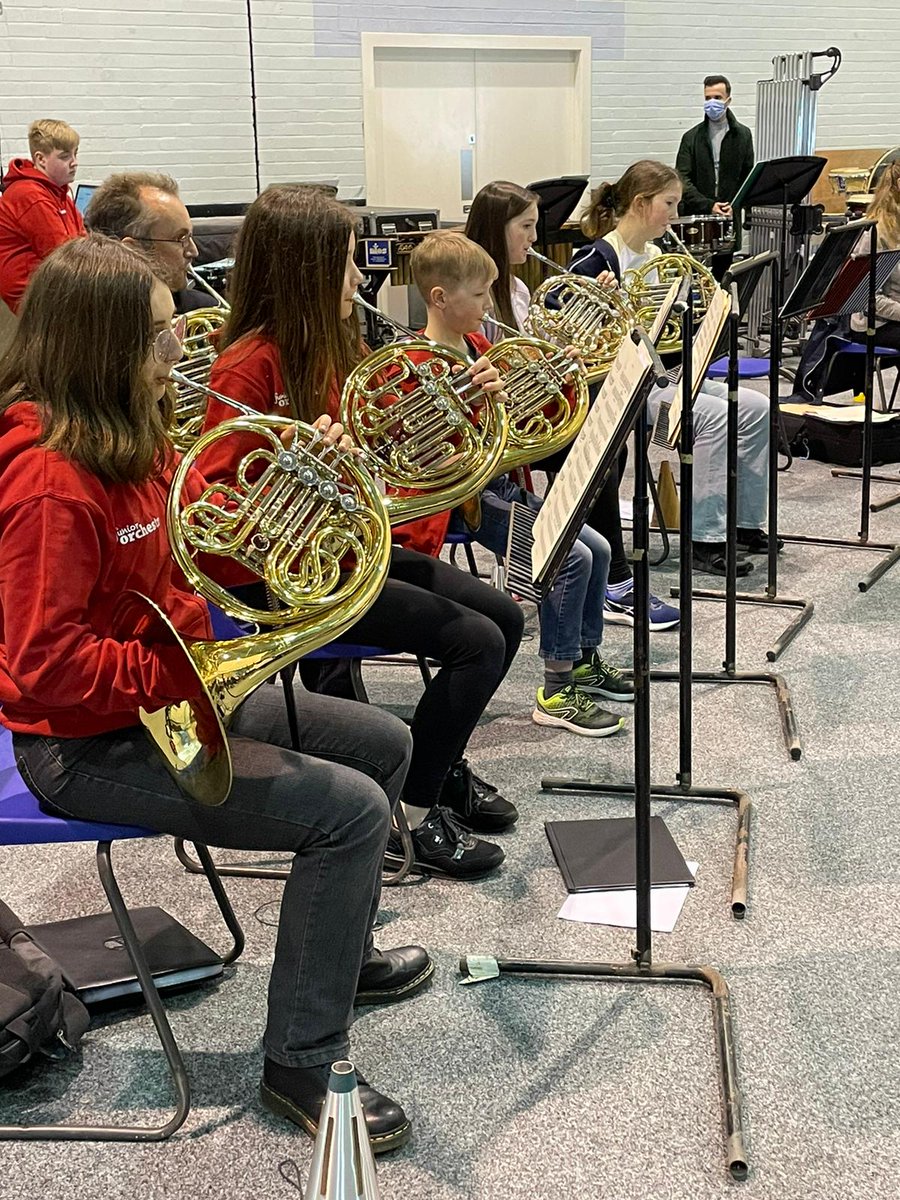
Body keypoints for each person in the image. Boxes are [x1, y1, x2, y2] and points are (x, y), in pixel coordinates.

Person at [0, 234, 432, 1152]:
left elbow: (181, 578)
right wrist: (181, 668)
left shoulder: (130, 440)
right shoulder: (49, 483)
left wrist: (295, 490)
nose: (179, 353)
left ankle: (337, 961)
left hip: (164, 702)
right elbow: (43, 667)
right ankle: (302, 1062)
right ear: (103, 347)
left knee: (382, 745)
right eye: (160, 337)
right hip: (81, 747)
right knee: (349, 811)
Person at [198, 184, 525, 880]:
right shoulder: (248, 364)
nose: (357, 277)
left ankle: (437, 767)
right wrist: (300, 473)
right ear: (304, 271)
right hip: (288, 581)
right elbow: (219, 520)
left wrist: (453, 412)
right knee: (476, 642)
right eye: (345, 263)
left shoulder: (333, 345)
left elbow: (381, 462)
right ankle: (416, 805)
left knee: (503, 613)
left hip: (348, 553)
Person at [407, 229, 632, 737]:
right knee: (569, 557)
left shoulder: (478, 343)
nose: (490, 304)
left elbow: (526, 418)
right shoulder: (419, 365)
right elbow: (427, 449)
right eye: (481, 294)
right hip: (470, 497)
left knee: (593, 546)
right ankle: (556, 688)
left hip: (503, 484)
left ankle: (583, 659)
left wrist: (558, 377)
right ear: (440, 299)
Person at [465, 179, 680, 626]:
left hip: (526, 412)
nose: (534, 238)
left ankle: (597, 567)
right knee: (596, 448)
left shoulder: (519, 291)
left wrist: (593, 316)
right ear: (496, 230)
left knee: (606, 436)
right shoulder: (474, 301)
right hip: (497, 427)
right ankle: (613, 581)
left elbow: (538, 354)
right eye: (525, 226)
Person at [570, 159, 773, 575]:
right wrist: (604, 304)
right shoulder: (595, 259)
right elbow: (567, 329)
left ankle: (744, 524)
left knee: (756, 408)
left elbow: (675, 333)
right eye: (670, 203)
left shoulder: (660, 254)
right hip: (624, 385)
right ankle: (705, 537)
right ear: (642, 204)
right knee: (714, 418)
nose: (675, 215)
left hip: (669, 373)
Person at [85, 171, 211, 312]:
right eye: (181, 239)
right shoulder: (90, 318)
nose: (193, 251)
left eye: (190, 236)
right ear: (131, 251)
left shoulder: (202, 308)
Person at [0, 119, 85, 313]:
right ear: (41, 159)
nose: (75, 162)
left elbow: (81, 239)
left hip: (49, 284)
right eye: (65, 156)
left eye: (76, 153)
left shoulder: (59, 192)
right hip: (32, 296)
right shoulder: (31, 196)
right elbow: (62, 255)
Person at [675, 74, 754, 277]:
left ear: (728, 100)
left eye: (717, 98)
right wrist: (708, 204)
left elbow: (747, 177)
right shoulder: (691, 138)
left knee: (722, 276)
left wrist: (735, 205)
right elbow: (682, 180)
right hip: (697, 218)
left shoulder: (743, 135)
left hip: (727, 216)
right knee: (694, 277)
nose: (712, 103)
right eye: (707, 98)